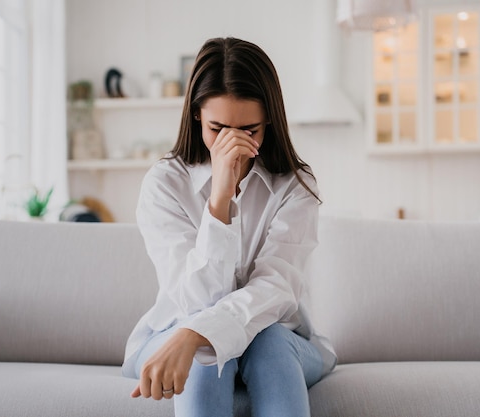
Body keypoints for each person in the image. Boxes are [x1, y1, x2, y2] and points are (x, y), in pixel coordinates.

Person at [122, 37, 336, 417]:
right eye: (218, 128)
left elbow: (276, 289)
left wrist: (196, 333)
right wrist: (219, 200)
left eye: (249, 130)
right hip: (173, 331)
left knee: (266, 343)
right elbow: (195, 301)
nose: (232, 144)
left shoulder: (295, 186)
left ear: (269, 120)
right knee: (205, 361)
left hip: (275, 340)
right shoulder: (164, 183)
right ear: (197, 116)